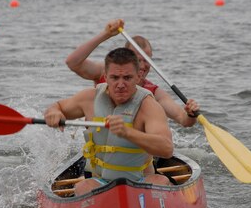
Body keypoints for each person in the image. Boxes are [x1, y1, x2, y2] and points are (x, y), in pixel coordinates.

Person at [45, 48, 174, 195]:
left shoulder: (149, 106)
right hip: (100, 181)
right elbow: (59, 106)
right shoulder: (89, 98)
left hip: (140, 181)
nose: (120, 84)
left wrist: (127, 132)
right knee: (83, 187)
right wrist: (54, 112)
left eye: (127, 78)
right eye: (114, 78)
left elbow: (167, 149)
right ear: (105, 77)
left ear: (138, 77)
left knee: (161, 181)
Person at [66, 19, 199, 127]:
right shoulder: (105, 73)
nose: (142, 65)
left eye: (147, 60)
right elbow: (72, 62)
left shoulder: (154, 94)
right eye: (137, 59)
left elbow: (183, 119)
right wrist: (106, 34)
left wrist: (191, 114)